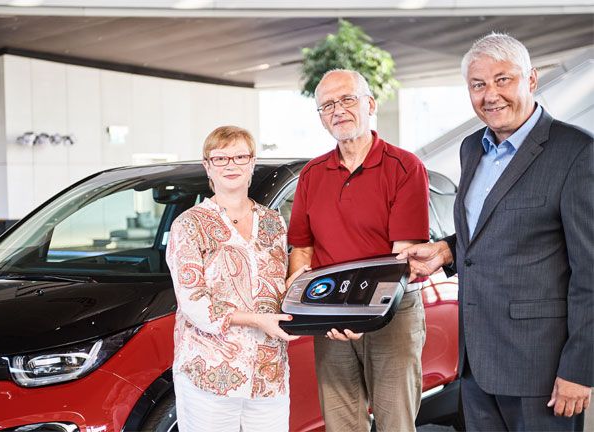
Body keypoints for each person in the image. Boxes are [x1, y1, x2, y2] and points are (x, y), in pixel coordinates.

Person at [398, 33, 593, 431]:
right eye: (478, 84)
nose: (491, 95)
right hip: (476, 364)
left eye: (503, 80)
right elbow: (493, 229)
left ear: (532, 80)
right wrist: (447, 252)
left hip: (542, 370)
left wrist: (581, 367)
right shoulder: (473, 148)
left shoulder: (577, 152)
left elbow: (590, 272)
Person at [287, 69, 430, 432]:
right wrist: (310, 305)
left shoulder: (404, 167)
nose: (338, 110)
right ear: (320, 117)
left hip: (390, 313)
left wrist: (359, 313)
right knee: (341, 424)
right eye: (327, 105)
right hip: (330, 319)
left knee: (394, 422)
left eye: (347, 99)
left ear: (369, 104)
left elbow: (403, 257)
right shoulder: (312, 174)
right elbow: (301, 249)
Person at [165, 125, 304, 432]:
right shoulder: (189, 225)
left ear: (252, 162)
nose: (231, 165)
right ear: (207, 166)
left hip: (268, 371)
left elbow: (276, 289)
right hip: (210, 374)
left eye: (240, 156)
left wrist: (301, 286)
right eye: (220, 158)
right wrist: (256, 320)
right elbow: (194, 302)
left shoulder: (273, 222)